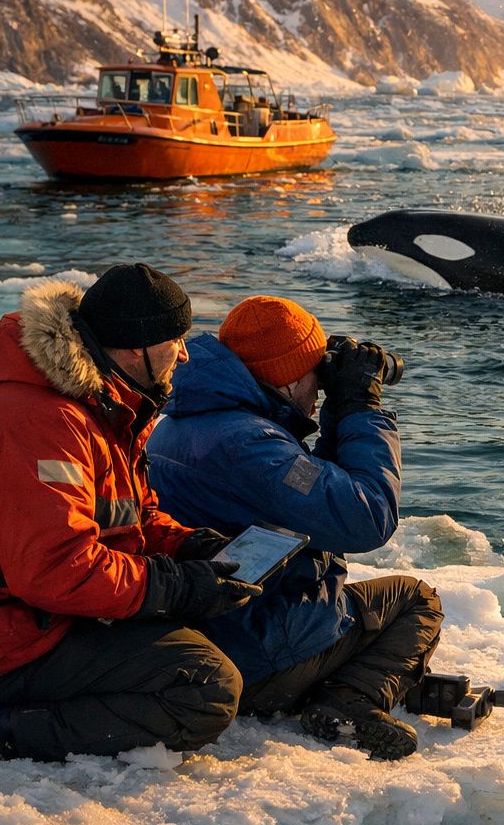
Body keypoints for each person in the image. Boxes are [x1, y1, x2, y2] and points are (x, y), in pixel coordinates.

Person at [0, 264, 262, 761]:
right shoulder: (42, 422)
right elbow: (54, 569)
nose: (184, 352)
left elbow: (129, 515)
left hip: (16, 614)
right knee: (205, 687)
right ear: (136, 346)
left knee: (202, 636)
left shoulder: (103, 403)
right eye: (174, 339)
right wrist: (172, 586)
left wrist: (189, 547)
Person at [147, 296, 442, 761]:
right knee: (414, 599)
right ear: (288, 378)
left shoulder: (183, 423)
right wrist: (362, 409)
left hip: (199, 641)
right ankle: (350, 700)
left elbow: (304, 490)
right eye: (315, 376)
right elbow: (367, 519)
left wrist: (334, 421)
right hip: (255, 652)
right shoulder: (251, 445)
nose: (320, 390)